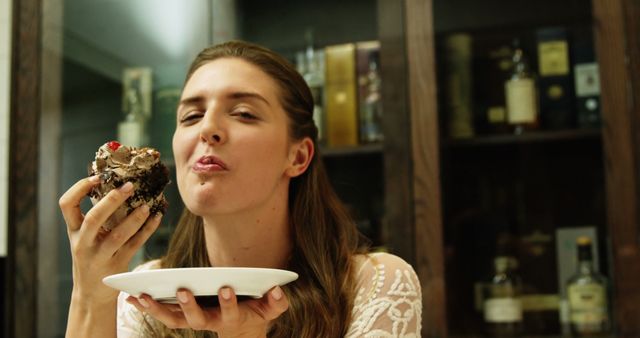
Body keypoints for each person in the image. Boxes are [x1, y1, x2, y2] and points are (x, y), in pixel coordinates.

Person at [59, 40, 422, 338]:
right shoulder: (146, 295)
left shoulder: (373, 285)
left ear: (298, 156)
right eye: (190, 116)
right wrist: (91, 294)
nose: (208, 129)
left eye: (244, 113)